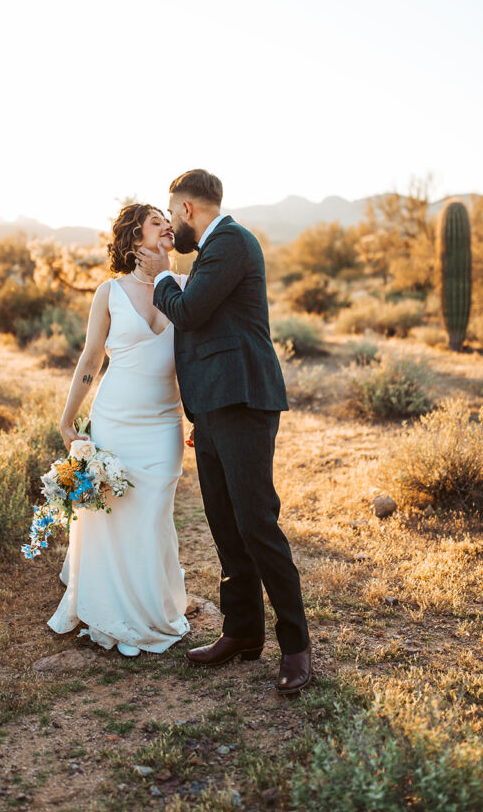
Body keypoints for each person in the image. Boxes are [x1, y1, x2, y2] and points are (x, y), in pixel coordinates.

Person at [138, 169, 312, 694]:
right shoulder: (216, 252)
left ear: (189, 210)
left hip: (243, 402)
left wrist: (163, 276)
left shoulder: (232, 243)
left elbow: (189, 313)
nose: (172, 227)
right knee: (224, 526)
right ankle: (241, 634)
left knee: (257, 524)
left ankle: (297, 647)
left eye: (173, 216)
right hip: (213, 410)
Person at [47, 203, 190, 657]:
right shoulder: (108, 292)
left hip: (165, 422)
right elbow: (91, 360)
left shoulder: (185, 286)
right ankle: (110, 608)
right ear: (133, 239)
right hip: (115, 420)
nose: (168, 226)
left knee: (153, 515)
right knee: (112, 516)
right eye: (156, 222)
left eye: (169, 221)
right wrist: (68, 418)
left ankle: (151, 611)